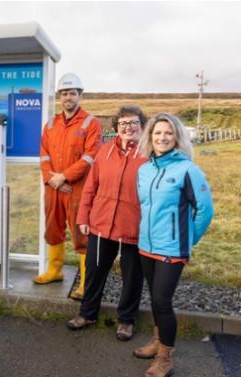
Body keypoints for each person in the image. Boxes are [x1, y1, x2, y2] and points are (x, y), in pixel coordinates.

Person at [134, 113, 213, 377]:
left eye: (168, 133)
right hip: (146, 245)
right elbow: (144, 207)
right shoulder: (144, 170)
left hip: (172, 248)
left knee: (162, 300)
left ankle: (165, 358)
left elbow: (205, 211)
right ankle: (157, 341)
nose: (162, 137)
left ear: (177, 136)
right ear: (150, 136)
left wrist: (187, 241)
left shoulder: (188, 169)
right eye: (157, 133)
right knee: (155, 300)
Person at [67, 105, 147, 341]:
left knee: (132, 276)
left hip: (134, 225)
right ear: (116, 128)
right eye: (123, 124)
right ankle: (87, 313)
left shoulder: (149, 154)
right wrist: (83, 216)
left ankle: (126, 320)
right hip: (101, 223)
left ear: (142, 126)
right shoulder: (104, 152)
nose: (128, 128)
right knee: (94, 271)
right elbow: (91, 186)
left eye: (133, 123)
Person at [34, 72, 102, 301]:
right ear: (59, 97)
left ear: (80, 95)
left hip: (77, 190)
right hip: (53, 188)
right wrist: (51, 178)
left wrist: (64, 177)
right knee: (52, 228)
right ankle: (55, 270)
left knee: (81, 234)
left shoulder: (91, 123)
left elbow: (90, 156)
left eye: (72, 93)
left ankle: (85, 282)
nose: (68, 97)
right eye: (64, 93)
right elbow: (44, 155)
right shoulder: (50, 124)